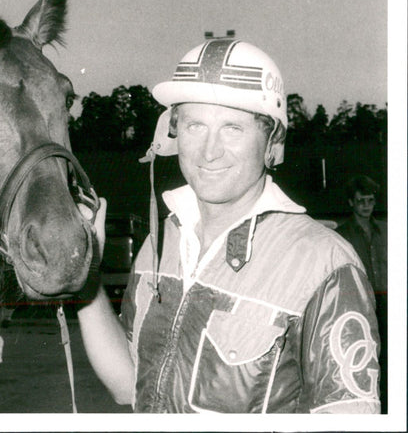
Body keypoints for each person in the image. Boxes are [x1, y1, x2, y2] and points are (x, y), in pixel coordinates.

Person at [76, 38, 381, 413]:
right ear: (172, 135)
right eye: (194, 126)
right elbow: (128, 385)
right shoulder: (162, 241)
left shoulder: (324, 263)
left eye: (232, 128)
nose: (209, 150)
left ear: (272, 142)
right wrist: (85, 276)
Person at [336, 174, 387, 411]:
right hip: (360, 302)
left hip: (387, 300)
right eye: (361, 201)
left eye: (370, 200)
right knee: (366, 353)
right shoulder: (343, 233)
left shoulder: (385, 230)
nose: (366, 206)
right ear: (350, 203)